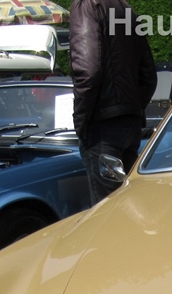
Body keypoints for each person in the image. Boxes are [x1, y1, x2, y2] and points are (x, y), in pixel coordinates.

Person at [70, 0, 157, 206]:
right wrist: (132, 109)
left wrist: (81, 120)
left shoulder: (86, 5)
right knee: (128, 205)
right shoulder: (125, 8)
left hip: (102, 126)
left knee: (106, 211)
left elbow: (88, 72)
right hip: (129, 123)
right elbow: (149, 76)